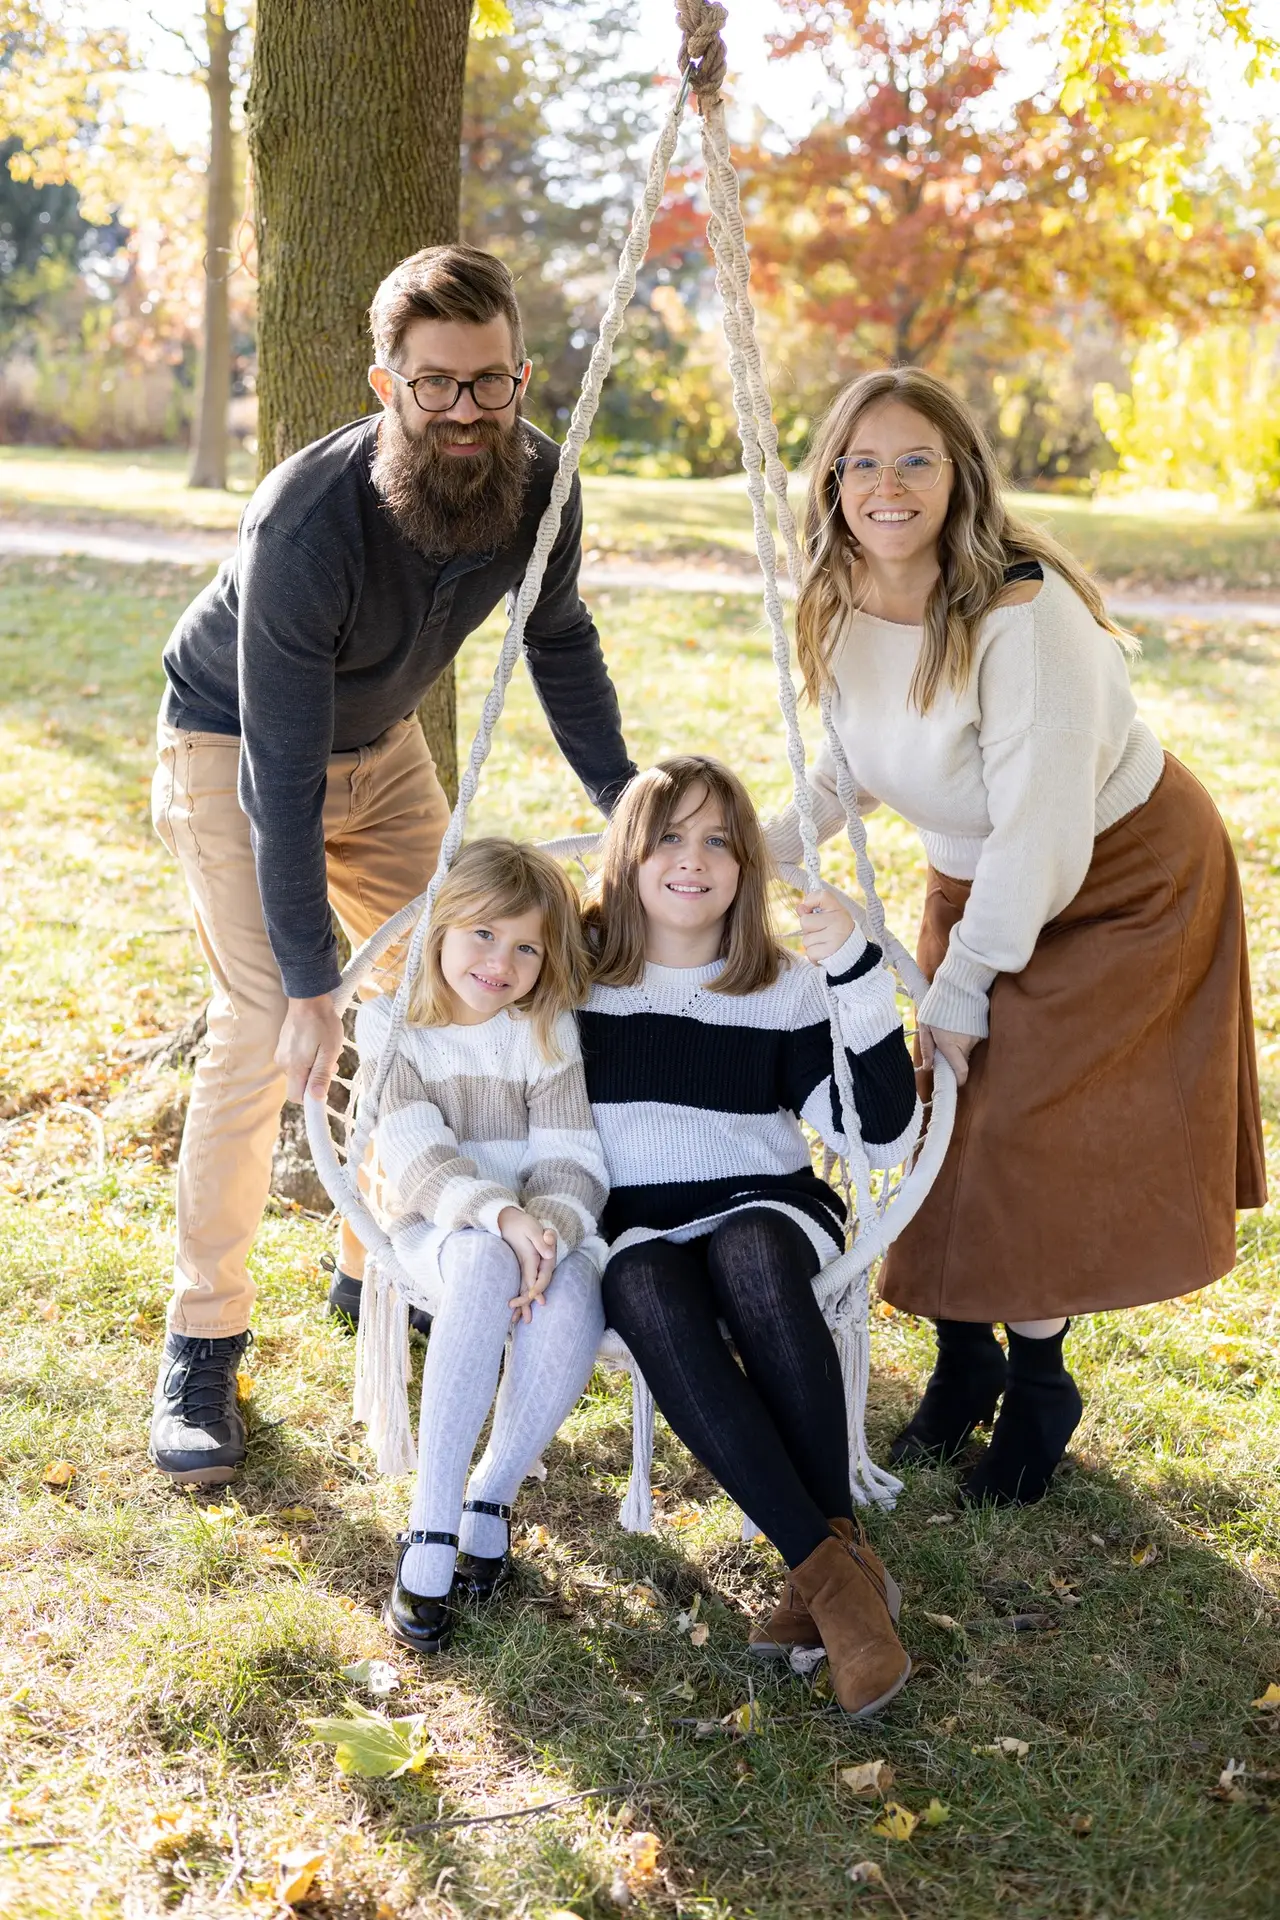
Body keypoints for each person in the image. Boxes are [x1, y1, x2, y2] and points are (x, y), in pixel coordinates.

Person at [148, 244, 636, 1487]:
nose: (464, 411)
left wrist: (623, 804)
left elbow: (558, 638)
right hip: (234, 748)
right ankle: (203, 1341)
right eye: (434, 385)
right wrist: (313, 979)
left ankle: (377, 1266)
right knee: (265, 1023)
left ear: (520, 374)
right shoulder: (306, 523)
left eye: (489, 382)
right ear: (386, 385)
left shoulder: (539, 483)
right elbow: (278, 778)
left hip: (383, 750)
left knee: (435, 992)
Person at [771, 366, 1267, 1507]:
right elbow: (850, 764)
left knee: (1024, 1123)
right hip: (985, 876)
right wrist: (755, 850)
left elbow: (1041, 826)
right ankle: (967, 1361)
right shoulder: (842, 594)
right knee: (944, 1116)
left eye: (915, 460)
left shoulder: (1022, 617)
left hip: (1118, 876)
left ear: (960, 476)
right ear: (832, 482)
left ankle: (1041, 1386)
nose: (886, 485)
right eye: (860, 462)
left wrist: (961, 988)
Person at [579, 756, 922, 1719]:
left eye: (719, 842)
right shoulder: (577, 978)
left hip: (766, 1206)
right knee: (639, 1282)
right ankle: (836, 1575)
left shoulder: (780, 986)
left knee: (750, 1251)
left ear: (746, 867)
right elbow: (472, 1014)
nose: (693, 860)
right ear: (628, 855)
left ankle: (828, 1584)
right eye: (669, 838)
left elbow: (881, 1135)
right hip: (636, 1223)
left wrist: (854, 973)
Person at [352, 840, 608, 1656]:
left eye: (527, 948)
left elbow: (573, 1157)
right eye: (484, 934)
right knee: (481, 1255)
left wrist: (549, 1231)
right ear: (441, 927)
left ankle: (490, 1495)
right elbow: (416, 1156)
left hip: (540, 1226)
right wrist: (502, 1221)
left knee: (575, 1289)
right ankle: (431, 1523)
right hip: (437, 1225)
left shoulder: (544, 1028)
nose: (500, 963)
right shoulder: (392, 1022)